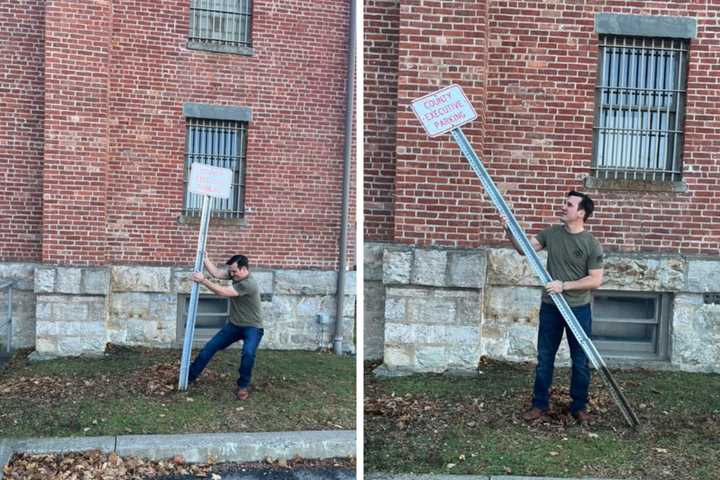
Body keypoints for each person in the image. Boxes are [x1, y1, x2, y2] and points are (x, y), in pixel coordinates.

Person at [504, 191, 604, 424]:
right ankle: (539, 405)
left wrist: (564, 285)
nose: (563, 207)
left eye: (568, 205)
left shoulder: (591, 244)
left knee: (580, 360)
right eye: (564, 203)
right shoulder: (552, 234)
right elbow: (524, 249)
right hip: (551, 308)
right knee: (545, 357)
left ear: (581, 213)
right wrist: (509, 230)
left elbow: (595, 280)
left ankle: (579, 407)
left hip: (578, 309)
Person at [187, 252, 264, 400]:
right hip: (234, 325)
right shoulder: (235, 275)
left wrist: (203, 281)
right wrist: (206, 260)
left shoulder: (248, 284)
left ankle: (242, 386)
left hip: (253, 327)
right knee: (210, 347)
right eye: (231, 271)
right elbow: (216, 273)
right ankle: (189, 377)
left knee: (248, 353)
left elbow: (223, 292)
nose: (231, 274)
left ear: (244, 269)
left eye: (234, 271)